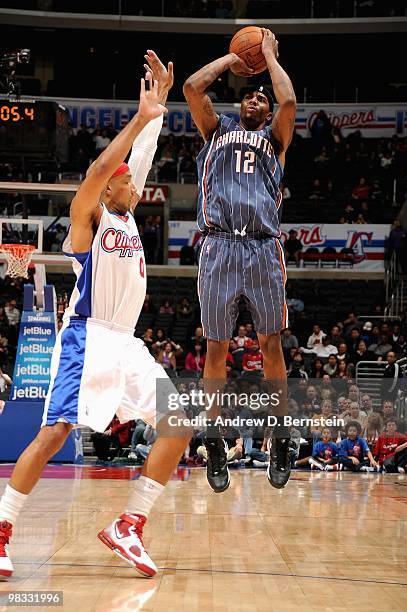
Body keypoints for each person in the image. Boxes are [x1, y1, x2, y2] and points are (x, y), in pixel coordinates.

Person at [0, 54, 191, 580]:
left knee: (178, 423)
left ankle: (129, 524)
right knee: (55, 433)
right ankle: (2, 526)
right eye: (127, 182)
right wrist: (136, 120)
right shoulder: (91, 218)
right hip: (87, 339)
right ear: (111, 188)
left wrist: (157, 108)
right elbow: (99, 169)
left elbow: (143, 153)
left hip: (126, 344)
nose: (136, 186)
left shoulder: (128, 217)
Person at [184, 28, 296, 492]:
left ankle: (281, 437)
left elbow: (289, 102)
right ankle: (214, 441)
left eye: (260, 98)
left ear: (266, 111)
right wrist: (233, 59)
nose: (254, 100)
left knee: (271, 344)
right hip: (218, 244)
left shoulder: (275, 137)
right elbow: (192, 87)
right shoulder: (217, 130)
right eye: (248, 97)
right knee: (216, 349)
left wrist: (267, 57)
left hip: (263, 246)